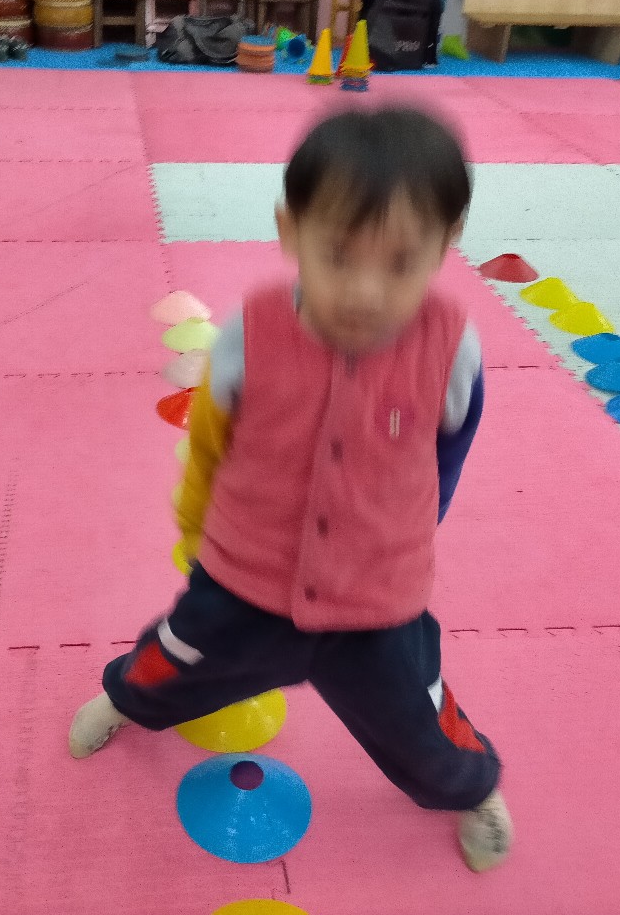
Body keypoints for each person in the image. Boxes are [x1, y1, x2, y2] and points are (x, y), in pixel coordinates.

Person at [68, 108, 512, 873]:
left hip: (378, 605)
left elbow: (446, 455)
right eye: (336, 255)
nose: (365, 291)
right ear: (290, 231)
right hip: (243, 583)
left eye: (401, 263)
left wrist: (405, 537)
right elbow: (209, 445)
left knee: (423, 724)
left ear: (447, 244)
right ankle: (121, 702)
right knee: (169, 662)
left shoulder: (453, 347)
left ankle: (473, 790)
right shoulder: (251, 334)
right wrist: (195, 532)